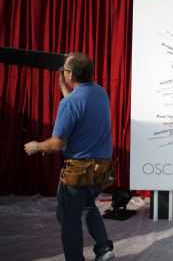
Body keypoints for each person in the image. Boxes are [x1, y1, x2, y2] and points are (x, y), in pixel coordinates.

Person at [24, 52, 115, 261]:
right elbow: (79, 107)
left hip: (78, 172)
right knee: (87, 206)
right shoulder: (101, 93)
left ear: (71, 75)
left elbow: (57, 144)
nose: (62, 72)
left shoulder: (69, 104)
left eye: (64, 70)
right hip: (101, 171)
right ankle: (103, 248)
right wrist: (65, 88)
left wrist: (36, 146)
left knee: (69, 219)